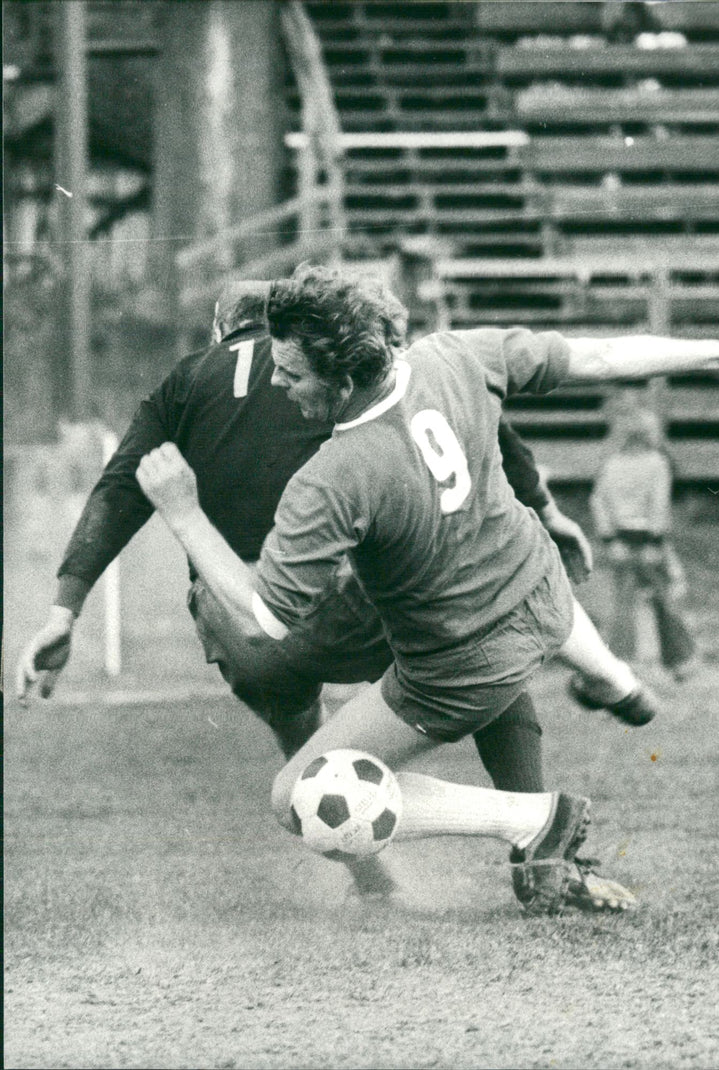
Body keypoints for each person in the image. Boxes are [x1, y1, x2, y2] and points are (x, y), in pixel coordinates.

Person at [134, 264, 719, 915]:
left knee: (295, 795)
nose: (278, 383)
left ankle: (530, 819)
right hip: (541, 591)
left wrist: (185, 515)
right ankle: (612, 677)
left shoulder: (334, 478)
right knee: (539, 590)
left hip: (458, 670)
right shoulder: (455, 355)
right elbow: (600, 355)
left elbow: (264, 619)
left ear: (346, 379)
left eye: (293, 374)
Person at [15, 280, 642, 911]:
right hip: (348, 597)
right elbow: (482, 426)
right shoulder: (348, 370)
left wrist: (62, 610)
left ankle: (371, 879)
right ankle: (541, 853)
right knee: (481, 654)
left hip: (249, 628)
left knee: (306, 741)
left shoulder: (183, 382)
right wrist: (545, 508)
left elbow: (120, 487)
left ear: (218, 332)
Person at [585, 405, 697, 682]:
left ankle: (622, 661)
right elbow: (658, 504)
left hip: (619, 540)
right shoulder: (657, 464)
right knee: (664, 599)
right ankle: (680, 660)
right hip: (649, 539)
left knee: (622, 604)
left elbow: (598, 501)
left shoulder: (612, 464)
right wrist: (655, 539)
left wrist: (608, 537)